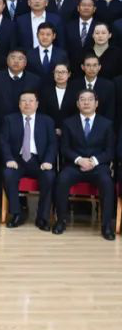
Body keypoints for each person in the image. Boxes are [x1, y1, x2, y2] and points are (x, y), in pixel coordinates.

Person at [54, 89, 117, 240]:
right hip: (74, 165)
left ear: (96, 103)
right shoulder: (68, 123)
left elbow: (110, 151)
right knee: (62, 179)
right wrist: (79, 160)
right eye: (82, 99)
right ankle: (61, 221)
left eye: (90, 99)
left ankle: (106, 226)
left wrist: (94, 161)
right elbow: (65, 148)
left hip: (98, 167)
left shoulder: (107, 124)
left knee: (107, 183)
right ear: (77, 104)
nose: (86, 102)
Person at [0, 91, 57, 231]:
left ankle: (42, 217)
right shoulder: (9, 120)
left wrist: (48, 161)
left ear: (37, 104)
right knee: (8, 174)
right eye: (23, 101)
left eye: (31, 101)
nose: (27, 104)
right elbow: (3, 142)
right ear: (19, 104)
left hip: (39, 161)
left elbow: (53, 143)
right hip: (17, 160)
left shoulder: (47, 121)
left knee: (49, 176)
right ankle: (17, 213)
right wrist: (9, 159)